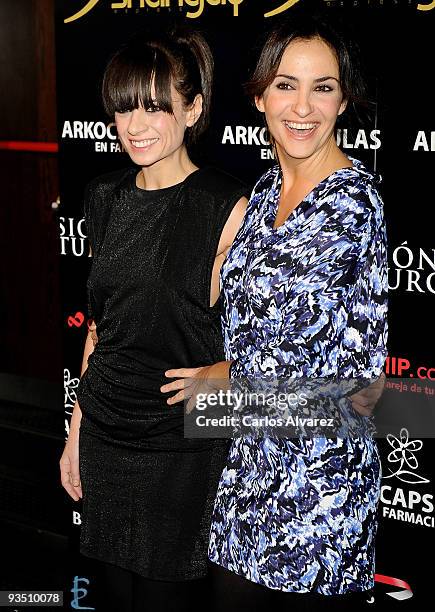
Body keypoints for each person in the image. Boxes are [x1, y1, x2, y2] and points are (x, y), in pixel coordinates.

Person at [161, 12, 388, 611]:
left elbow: (362, 390)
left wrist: (224, 383)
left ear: (344, 102)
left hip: (318, 497)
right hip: (245, 478)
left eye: (323, 87)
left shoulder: (352, 206)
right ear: (260, 94)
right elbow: (260, 333)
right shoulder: (262, 193)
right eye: (286, 84)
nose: (303, 107)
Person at [59, 25, 249, 612]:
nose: (134, 126)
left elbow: (266, 341)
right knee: (113, 598)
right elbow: (101, 326)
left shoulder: (229, 205)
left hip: (182, 443)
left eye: (153, 107)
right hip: (106, 431)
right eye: (122, 108)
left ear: (192, 109)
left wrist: (221, 372)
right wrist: (75, 435)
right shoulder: (104, 195)